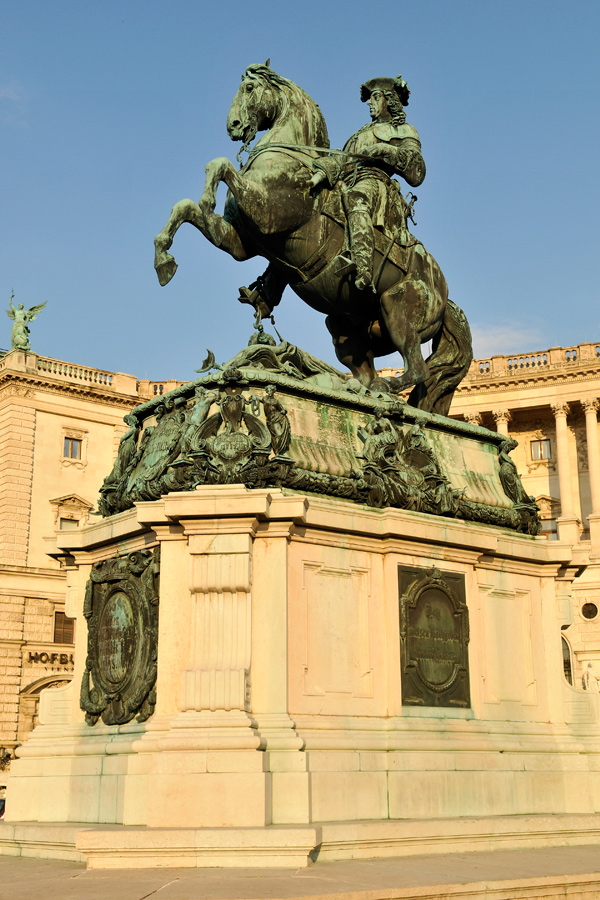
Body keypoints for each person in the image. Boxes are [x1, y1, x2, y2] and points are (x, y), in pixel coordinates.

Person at [309, 75, 426, 291]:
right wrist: (322, 172)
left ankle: (362, 266)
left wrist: (384, 150)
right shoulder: (361, 132)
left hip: (374, 183)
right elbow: (343, 160)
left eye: (374, 97)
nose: (369, 103)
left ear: (389, 100)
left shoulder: (403, 130)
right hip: (346, 180)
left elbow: (417, 171)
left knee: (356, 198)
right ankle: (269, 289)